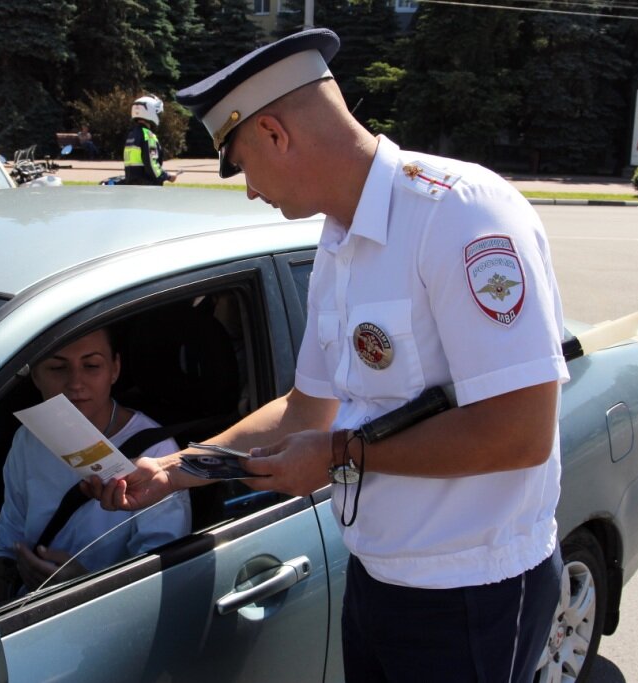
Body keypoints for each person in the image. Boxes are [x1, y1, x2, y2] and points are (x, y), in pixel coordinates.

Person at [87, 29, 567, 683]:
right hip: (377, 580)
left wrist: (341, 457)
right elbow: (305, 411)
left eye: (240, 162)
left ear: (278, 134)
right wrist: (176, 468)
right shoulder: (337, 247)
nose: (250, 189)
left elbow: (520, 432)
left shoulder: (458, 216)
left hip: (470, 595)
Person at [0, 327, 191, 606]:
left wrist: (83, 585)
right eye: (58, 367)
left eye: (91, 365)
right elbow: (9, 537)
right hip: (25, 610)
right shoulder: (28, 439)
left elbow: (161, 568)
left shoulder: (154, 454)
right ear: (35, 375)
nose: (75, 383)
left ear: (114, 370)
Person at [123, 95, 176, 185]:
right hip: (147, 187)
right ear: (150, 112)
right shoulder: (148, 135)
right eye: (157, 113)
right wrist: (167, 176)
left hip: (132, 184)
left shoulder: (131, 135)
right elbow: (151, 164)